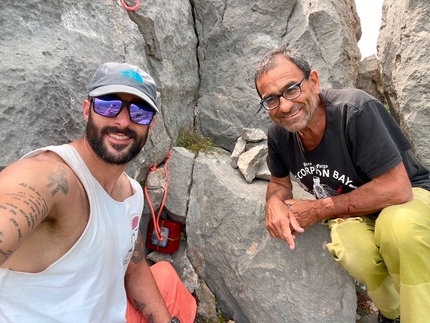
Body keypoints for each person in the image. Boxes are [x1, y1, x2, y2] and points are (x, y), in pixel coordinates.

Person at [0, 62, 196, 323]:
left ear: (151, 125)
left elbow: (133, 267)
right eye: (108, 105)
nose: (123, 121)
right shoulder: (53, 178)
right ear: (86, 110)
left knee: (165, 276)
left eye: (139, 112)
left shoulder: (132, 193)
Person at [254, 48, 430, 323]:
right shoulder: (279, 135)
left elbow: (398, 188)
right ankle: (392, 312)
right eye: (271, 100)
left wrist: (317, 209)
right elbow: (279, 181)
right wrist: (274, 203)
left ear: (313, 81)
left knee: (399, 230)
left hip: (408, 197)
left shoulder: (355, 111)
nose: (285, 106)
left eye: (291, 89)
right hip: (353, 211)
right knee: (352, 250)